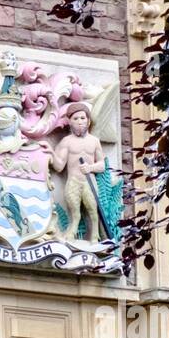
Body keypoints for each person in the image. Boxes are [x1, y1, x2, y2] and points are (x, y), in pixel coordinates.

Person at [51, 102, 106, 241]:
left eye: (82, 118)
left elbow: (102, 165)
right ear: (69, 122)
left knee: (93, 210)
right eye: (75, 119)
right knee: (74, 211)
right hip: (73, 180)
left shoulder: (94, 141)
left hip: (89, 181)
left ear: (88, 121)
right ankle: (72, 232)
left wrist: (90, 168)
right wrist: (49, 153)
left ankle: (95, 235)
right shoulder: (66, 142)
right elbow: (59, 166)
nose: (80, 122)